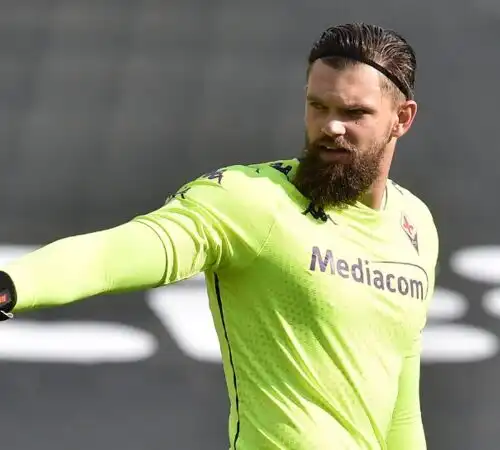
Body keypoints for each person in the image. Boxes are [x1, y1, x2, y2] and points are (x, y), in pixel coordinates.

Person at [0, 22, 438, 450]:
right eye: (317, 106)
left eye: (354, 113)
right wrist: (12, 284)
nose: (331, 126)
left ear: (401, 118)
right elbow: (116, 253)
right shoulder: (252, 199)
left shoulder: (415, 224)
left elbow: (402, 407)